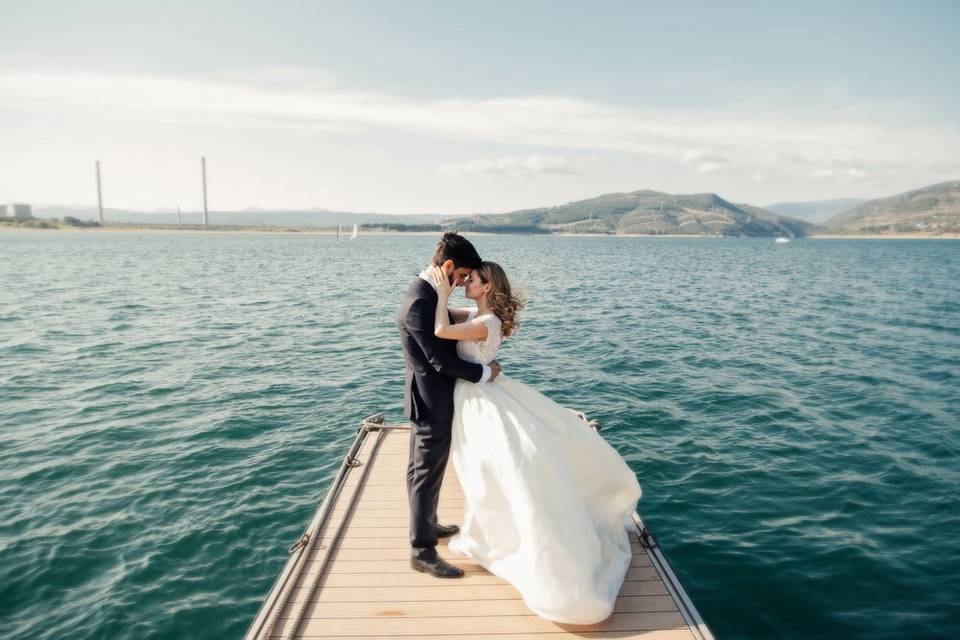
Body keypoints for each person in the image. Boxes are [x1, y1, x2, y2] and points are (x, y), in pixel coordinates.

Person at [425, 260, 643, 625]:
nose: (465, 283)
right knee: (481, 469)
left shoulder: (484, 322)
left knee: (483, 468)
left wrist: (441, 291)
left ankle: (497, 536)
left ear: (487, 286)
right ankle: (488, 528)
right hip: (478, 395)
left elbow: (439, 328)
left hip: (479, 401)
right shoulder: (480, 314)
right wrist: (437, 290)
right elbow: (451, 315)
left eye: (471, 279)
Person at [398, 232, 502, 579]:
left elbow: (458, 324)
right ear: (448, 266)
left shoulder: (428, 294)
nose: (460, 284)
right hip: (430, 398)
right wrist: (485, 371)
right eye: (461, 276)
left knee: (421, 469)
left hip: (429, 395)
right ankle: (422, 550)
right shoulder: (421, 299)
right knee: (425, 471)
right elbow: (439, 361)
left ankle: (427, 525)